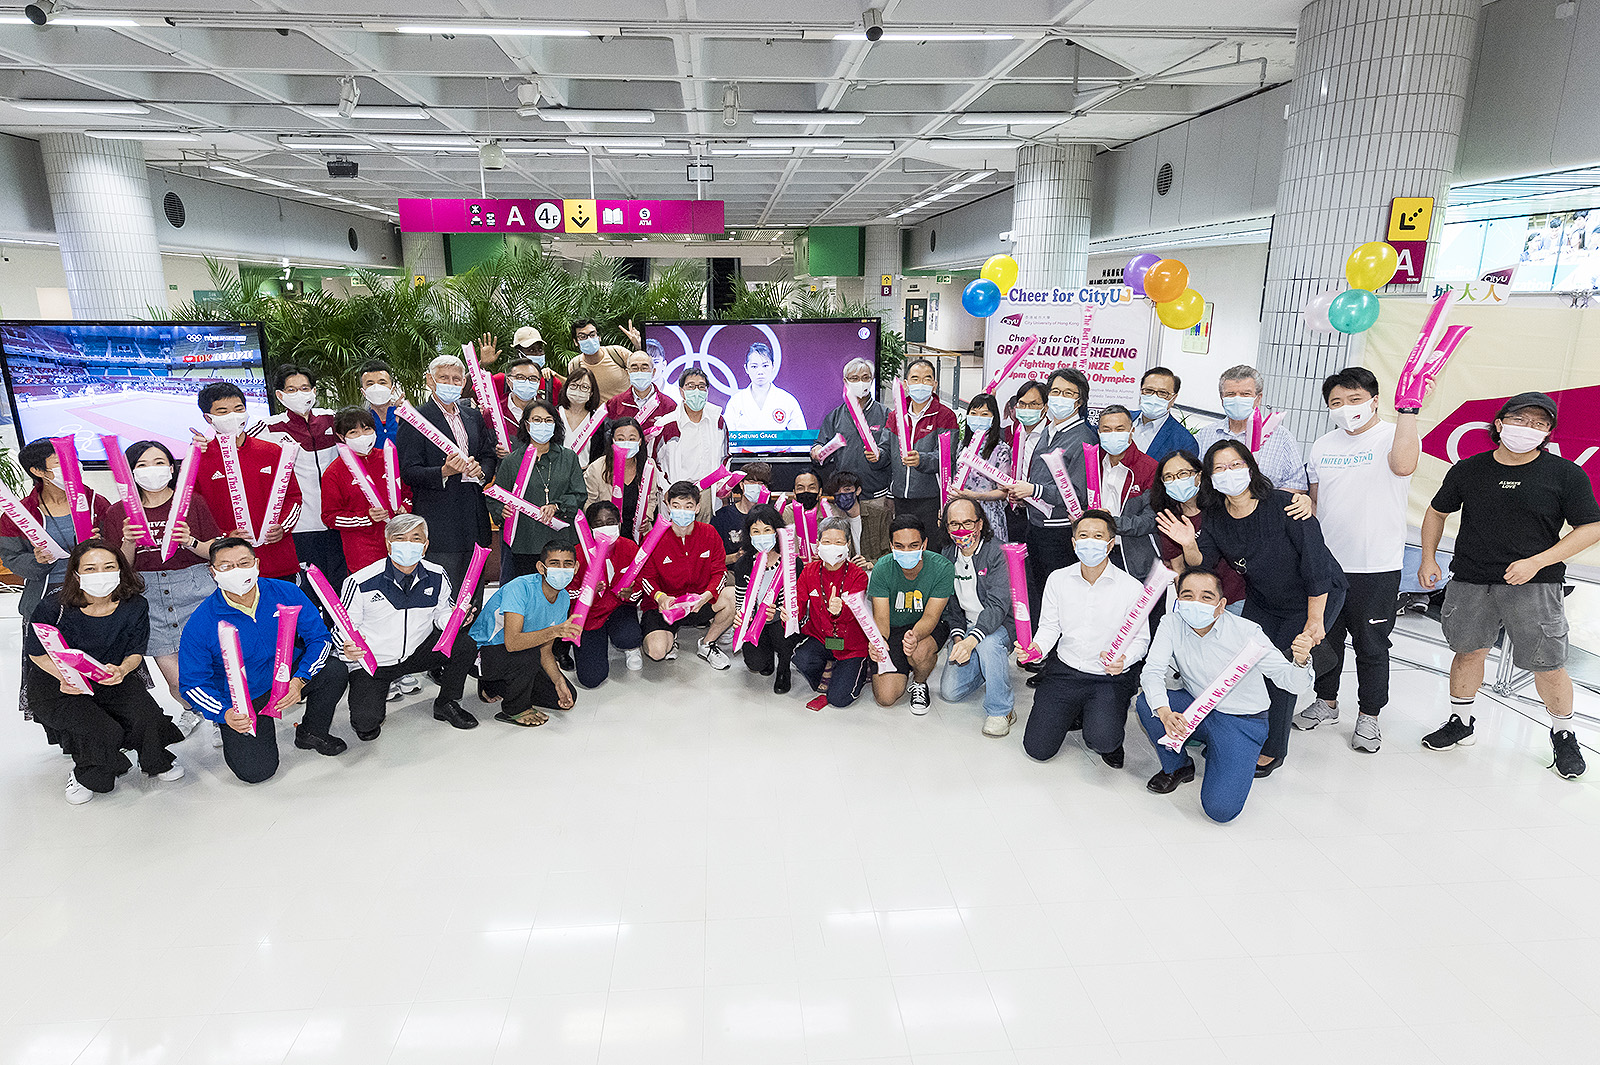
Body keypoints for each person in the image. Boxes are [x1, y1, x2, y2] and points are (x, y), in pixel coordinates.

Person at [1419, 391, 1600, 777]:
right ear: (1500, 424)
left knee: (1546, 664)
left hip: (1535, 583)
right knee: (1468, 652)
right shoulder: (1469, 469)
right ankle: (1461, 721)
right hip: (1470, 577)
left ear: (1548, 433)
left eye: (1539, 424)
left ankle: (1564, 733)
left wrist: (1538, 561)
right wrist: (1428, 557)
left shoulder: (1565, 474)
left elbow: (1591, 527)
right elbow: (1436, 512)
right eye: (1521, 420)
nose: (1528, 429)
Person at [1159, 440, 1346, 777]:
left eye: (1235, 465)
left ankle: (1273, 749)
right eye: (1219, 468)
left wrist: (1314, 621)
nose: (1228, 474)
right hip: (1264, 598)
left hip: (1312, 596)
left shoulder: (1286, 505)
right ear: (1209, 478)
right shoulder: (1216, 516)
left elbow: (1315, 565)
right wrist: (1189, 544)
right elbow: (1205, 565)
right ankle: (1321, 660)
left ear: (1250, 467)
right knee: (1250, 663)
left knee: (1282, 668)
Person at [1294, 367, 1419, 752]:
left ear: (1374, 400)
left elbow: (1403, 466)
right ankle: (1325, 702)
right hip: (1328, 564)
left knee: (1371, 643)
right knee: (1324, 638)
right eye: (1336, 403)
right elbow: (1315, 502)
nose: (1346, 408)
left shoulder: (1392, 436)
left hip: (1375, 565)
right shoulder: (1322, 445)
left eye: (1354, 400)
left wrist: (1410, 411)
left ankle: (1369, 716)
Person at [1137, 569, 1317, 823]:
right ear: (1178, 600)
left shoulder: (1247, 632)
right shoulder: (1171, 624)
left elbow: (1290, 682)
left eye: (1206, 597)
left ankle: (1225, 752)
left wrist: (1300, 662)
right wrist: (1165, 712)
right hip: (1197, 710)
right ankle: (1178, 766)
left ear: (1221, 605)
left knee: (1221, 810)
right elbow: (1152, 672)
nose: (1196, 603)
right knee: (1149, 704)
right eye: (1188, 596)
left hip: (1241, 720)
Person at [179, 538, 351, 783]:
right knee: (256, 772)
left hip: (286, 676)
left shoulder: (286, 592)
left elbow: (320, 639)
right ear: (213, 572)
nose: (237, 571)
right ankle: (252, 728)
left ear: (256, 564)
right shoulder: (201, 622)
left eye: (243, 562)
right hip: (241, 698)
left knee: (334, 671)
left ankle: (311, 732)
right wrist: (224, 713)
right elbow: (192, 683)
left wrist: (300, 680)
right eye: (226, 566)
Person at [26, 540, 185, 804]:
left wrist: (122, 670)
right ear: (76, 574)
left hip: (110, 677)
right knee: (102, 732)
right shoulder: (53, 607)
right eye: (90, 568)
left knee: (146, 717)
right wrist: (64, 677)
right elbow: (36, 653)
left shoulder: (134, 605)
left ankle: (155, 761)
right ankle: (86, 773)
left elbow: (135, 651)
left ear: (121, 569)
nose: (100, 574)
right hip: (60, 684)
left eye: (108, 566)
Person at [100, 439, 222, 735]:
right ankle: (192, 709)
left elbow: (217, 550)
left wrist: (191, 542)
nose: (151, 470)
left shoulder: (193, 502)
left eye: (158, 463)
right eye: (141, 465)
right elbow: (119, 567)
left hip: (194, 586)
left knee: (212, 663)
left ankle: (221, 716)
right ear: (128, 473)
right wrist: (128, 540)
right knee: (176, 678)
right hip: (147, 595)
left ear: (171, 467)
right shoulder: (118, 513)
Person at [1, 438, 115, 726]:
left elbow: (117, 545)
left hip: (94, 595)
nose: (72, 468)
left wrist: (104, 544)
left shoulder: (93, 501)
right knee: (56, 669)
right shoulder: (19, 513)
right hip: (46, 599)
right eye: (60, 464)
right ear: (38, 471)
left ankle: (115, 724)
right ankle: (67, 732)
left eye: (73, 462)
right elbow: (12, 558)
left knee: (100, 662)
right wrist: (37, 561)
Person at [1020, 511, 1149, 765]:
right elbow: (1048, 627)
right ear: (1073, 542)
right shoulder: (1058, 579)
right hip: (1065, 671)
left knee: (1102, 740)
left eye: (1098, 536)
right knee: (1037, 749)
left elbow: (1141, 640)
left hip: (1108, 678)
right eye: (1083, 536)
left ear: (1111, 544)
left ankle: (1104, 712)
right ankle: (1077, 709)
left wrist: (1125, 660)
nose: (1090, 541)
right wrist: (1036, 649)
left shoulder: (1131, 587)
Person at [339, 514, 479, 739]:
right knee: (366, 726)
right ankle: (374, 698)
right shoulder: (360, 581)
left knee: (464, 644)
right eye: (400, 538)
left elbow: (442, 613)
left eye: (416, 538)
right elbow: (342, 628)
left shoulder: (437, 574)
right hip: (376, 660)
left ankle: (447, 703)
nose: (408, 544)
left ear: (425, 546)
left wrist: (455, 620)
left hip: (417, 651)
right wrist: (346, 649)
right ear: (388, 544)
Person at [397, 354, 499, 599]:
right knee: (443, 595)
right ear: (430, 381)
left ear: (464, 383)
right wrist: (443, 472)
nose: (450, 383)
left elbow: (488, 454)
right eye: (444, 378)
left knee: (474, 593)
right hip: (439, 523)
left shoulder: (472, 416)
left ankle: (470, 638)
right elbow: (408, 471)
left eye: (456, 379)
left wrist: (481, 471)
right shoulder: (415, 419)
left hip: (474, 518)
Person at [1007, 371, 1098, 619]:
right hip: (1036, 525)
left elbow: (1078, 494)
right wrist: (1024, 496)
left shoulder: (1083, 438)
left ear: (1079, 401)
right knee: (1038, 589)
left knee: (1058, 594)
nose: (1060, 398)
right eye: (1056, 391)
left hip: (1059, 531)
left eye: (1068, 393)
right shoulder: (1049, 431)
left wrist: (1034, 490)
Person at [193, 382, 302, 582]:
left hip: (277, 559)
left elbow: (293, 496)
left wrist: (282, 528)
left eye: (238, 409)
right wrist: (224, 535)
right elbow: (196, 512)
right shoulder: (199, 460)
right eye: (223, 411)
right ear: (208, 418)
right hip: (229, 563)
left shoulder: (272, 451)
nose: (233, 415)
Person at [471, 543, 580, 726]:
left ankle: (492, 685)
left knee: (563, 695)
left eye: (567, 564)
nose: (561, 569)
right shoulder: (520, 588)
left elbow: (546, 650)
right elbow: (512, 642)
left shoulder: (563, 598)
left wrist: (559, 681)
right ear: (541, 567)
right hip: (480, 653)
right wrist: (555, 631)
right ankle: (514, 709)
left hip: (517, 656)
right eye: (554, 563)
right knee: (529, 654)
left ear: (575, 567)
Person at [1119, 450, 1246, 608]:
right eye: (1169, 477)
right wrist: (1184, 602)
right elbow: (1179, 567)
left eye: (1183, 474)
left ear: (1198, 476)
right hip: (1199, 601)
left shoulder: (1221, 504)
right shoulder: (1169, 518)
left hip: (1236, 596)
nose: (1176, 481)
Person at [936, 498, 1016, 735]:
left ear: (980, 524)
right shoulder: (948, 553)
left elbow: (998, 605)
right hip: (969, 628)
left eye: (968, 522)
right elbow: (952, 606)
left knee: (989, 645)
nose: (961, 530)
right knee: (951, 693)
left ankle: (1001, 710)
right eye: (954, 524)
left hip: (997, 626)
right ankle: (989, 670)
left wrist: (974, 640)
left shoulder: (997, 552)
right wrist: (959, 637)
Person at [639, 481, 736, 668]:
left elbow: (720, 572)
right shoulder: (654, 537)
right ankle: (670, 638)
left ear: (697, 507)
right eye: (676, 506)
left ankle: (707, 644)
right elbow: (645, 577)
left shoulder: (710, 533)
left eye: (688, 506)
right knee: (657, 652)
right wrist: (661, 597)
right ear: (668, 506)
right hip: (665, 606)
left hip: (699, 602)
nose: (682, 511)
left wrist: (705, 596)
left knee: (732, 596)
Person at [263, 364, 344, 587]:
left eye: (305, 387)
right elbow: (236, 444)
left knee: (340, 587)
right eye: (291, 390)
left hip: (338, 523)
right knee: (308, 588)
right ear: (279, 395)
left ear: (314, 391)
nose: (300, 394)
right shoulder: (267, 428)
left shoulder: (333, 419)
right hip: (300, 527)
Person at [867, 514, 954, 713]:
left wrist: (915, 636)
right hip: (894, 627)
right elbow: (881, 619)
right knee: (885, 697)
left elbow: (931, 617)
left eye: (913, 545)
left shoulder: (942, 568)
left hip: (927, 627)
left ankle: (920, 682)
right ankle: (903, 665)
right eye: (899, 546)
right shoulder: (882, 568)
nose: (906, 551)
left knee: (919, 651)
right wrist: (878, 642)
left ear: (924, 544)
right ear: (891, 546)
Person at [789, 517, 874, 710]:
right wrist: (790, 614)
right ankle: (829, 665)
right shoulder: (809, 570)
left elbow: (855, 614)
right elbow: (799, 605)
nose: (832, 547)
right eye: (826, 542)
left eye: (838, 542)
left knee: (839, 699)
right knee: (801, 658)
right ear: (818, 544)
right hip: (821, 638)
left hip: (851, 645)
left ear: (848, 545)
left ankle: (860, 669)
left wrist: (841, 609)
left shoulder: (858, 576)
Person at [493, 399, 585, 580]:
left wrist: (557, 506)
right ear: (526, 425)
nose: (542, 425)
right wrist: (500, 510)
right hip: (524, 540)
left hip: (560, 541)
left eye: (548, 420)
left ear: (555, 424)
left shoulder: (568, 457)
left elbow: (579, 494)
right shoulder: (512, 461)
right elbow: (496, 496)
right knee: (526, 593)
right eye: (536, 420)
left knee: (559, 593)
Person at [321, 407, 412, 573]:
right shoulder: (334, 472)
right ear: (342, 437)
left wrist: (406, 507)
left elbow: (409, 494)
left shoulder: (390, 458)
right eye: (353, 432)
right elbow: (329, 517)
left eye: (366, 429)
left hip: (399, 544)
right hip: (362, 551)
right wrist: (365, 517)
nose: (362, 436)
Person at [812, 358, 894, 540]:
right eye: (854, 378)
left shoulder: (886, 414)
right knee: (844, 544)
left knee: (875, 545)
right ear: (845, 381)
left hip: (875, 495)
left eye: (865, 377)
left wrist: (879, 456)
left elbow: (890, 452)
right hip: (844, 496)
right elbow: (819, 445)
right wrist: (816, 451)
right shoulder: (835, 416)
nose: (861, 382)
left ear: (872, 380)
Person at [1193, 364, 1309, 492]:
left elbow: (1297, 485)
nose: (1237, 399)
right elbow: (1195, 478)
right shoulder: (1205, 435)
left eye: (1245, 394)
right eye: (1231, 394)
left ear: (1258, 398)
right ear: (1222, 399)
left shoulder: (1281, 438)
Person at [571, 500, 644, 688]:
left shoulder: (629, 547)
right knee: (591, 679)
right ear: (589, 528)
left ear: (619, 523)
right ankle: (594, 642)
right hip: (590, 615)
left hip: (620, 608)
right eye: (599, 524)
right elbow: (567, 594)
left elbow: (642, 583)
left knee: (630, 637)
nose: (606, 527)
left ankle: (631, 648)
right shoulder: (578, 554)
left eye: (611, 522)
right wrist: (587, 592)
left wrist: (631, 593)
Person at [889, 358, 959, 551]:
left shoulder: (945, 416)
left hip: (930, 498)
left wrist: (922, 459)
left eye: (927, 379)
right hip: (901, 498)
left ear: (934, 384)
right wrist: (875, 454)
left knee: (930, 549)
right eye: (915, 378)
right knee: (905, 548)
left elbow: (948, 457)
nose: (921, 384)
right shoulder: (896, 415)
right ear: (906, 384)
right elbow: (886, 449)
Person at [728, 505, 794, 692]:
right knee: (755, 663)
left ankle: (783, 669)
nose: (762, 536)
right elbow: (741, 599)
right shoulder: (744, 564)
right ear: (749, 535)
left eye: (767, 530)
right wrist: (741, 617)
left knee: (783, 635)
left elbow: (796, 600)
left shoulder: (790, 562)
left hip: (781, 620)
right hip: (756, 620)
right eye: (756, 531)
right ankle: (767, 659)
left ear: (777, 532)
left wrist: (780, 610)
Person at [657, 366, 728, 520]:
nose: (696, 391)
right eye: (690, 386)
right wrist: (666, 490)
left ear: (707, 391)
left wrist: (722, 487)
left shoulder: (718, 420)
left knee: (704, 538)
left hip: (707, 494)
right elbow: (654, 463)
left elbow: (725, 458)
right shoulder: (667, 423)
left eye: (701, 386)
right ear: (682, 391)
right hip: (676, 493)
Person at [584, 418, 662, 543]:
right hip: (607, 536)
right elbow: (589, 504)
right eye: (621, 439)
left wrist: (647, 518)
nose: (627, 443)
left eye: (632, 439)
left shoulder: (648, 466)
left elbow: (652, 498)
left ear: (640, 441)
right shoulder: (597, 468)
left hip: (639, 535)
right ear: (613, 441)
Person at [948, 392, 1013, 542]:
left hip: (989, 515)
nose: (978, 417)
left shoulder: (1001, 449)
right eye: (974, 413)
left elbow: (1003, 492)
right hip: (963, 513)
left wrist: (976, 496)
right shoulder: (962, 446)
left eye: (984, 414)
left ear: (993, 418)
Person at [723, 341, 807, 436]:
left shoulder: (787, 399)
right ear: (746, 368)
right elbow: (728, 438)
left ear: (773, 366)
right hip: (745, 451)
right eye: (754, 366)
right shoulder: (736, 401)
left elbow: (800, 437)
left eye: (765, 366)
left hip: (781, 451)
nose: (760, 371)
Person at [604, 349, 679, 438]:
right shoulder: (614, 404)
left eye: (644, 368)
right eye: (634, 368)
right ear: (628, 372)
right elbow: (607, 438)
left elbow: (674, 440)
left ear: (653, 372)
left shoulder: (669, 406)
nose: (639, 372)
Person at [1133, 366, 1200, 463]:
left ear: (1173, 398)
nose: (1154, 397)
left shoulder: (1184, 442)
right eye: (1148, 390)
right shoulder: (1121, 419)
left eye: (1162, 393)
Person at [823, 470, 888, 567]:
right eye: (837, 492)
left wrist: (872, 563)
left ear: (858, 490)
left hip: (876, 570)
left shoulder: (880, 514)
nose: (842, 495)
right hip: (851, 573)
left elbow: (890, 551)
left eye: (847, 490)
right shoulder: (836, 521)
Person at [711, 460, 773, 563]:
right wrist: (735, 557)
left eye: (761, 483)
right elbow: (712, 559)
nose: (756, 486)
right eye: (752, 482)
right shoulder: (722, 516)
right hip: (732, 572)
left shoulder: (771, 516)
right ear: (741, 485)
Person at [570, 318, 638, 402]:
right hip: (600, 414)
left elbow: (643, 368)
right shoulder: (574, 365)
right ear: (576, 342)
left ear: (599, 337)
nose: (589, 339)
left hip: (628, 410)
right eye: (582, 337)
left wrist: (638, 346)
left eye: (592, 334)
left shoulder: (617, 353)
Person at [557, 363, 604, 454]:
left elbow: (599, 451)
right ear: (566, 387)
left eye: (584, 387)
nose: (578, 390)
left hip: (586, 468)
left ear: (591, 393)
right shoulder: (554, 414)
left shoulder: (596, 420)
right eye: (573, 385)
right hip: (557, 467)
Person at [359, 359, 404, 450]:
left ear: (392, 389)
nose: (377, 387)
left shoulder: (405, 418)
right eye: (370, 384)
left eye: (382, 383)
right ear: (363, 392)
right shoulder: (359, 422)